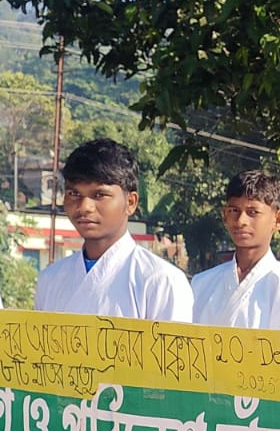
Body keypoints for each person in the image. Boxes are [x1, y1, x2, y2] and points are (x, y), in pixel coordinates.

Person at [33, 138, 193, 321]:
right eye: (74, 194)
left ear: (130, 202)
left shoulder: (160, 280)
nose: (85, 206)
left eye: (99, 195)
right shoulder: (50, 279)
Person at [191, 169, 280, 332]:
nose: (241, 221)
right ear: (225, 216)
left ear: (278, 220)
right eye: (234, 211)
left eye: (253, 212)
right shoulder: (201, 283)